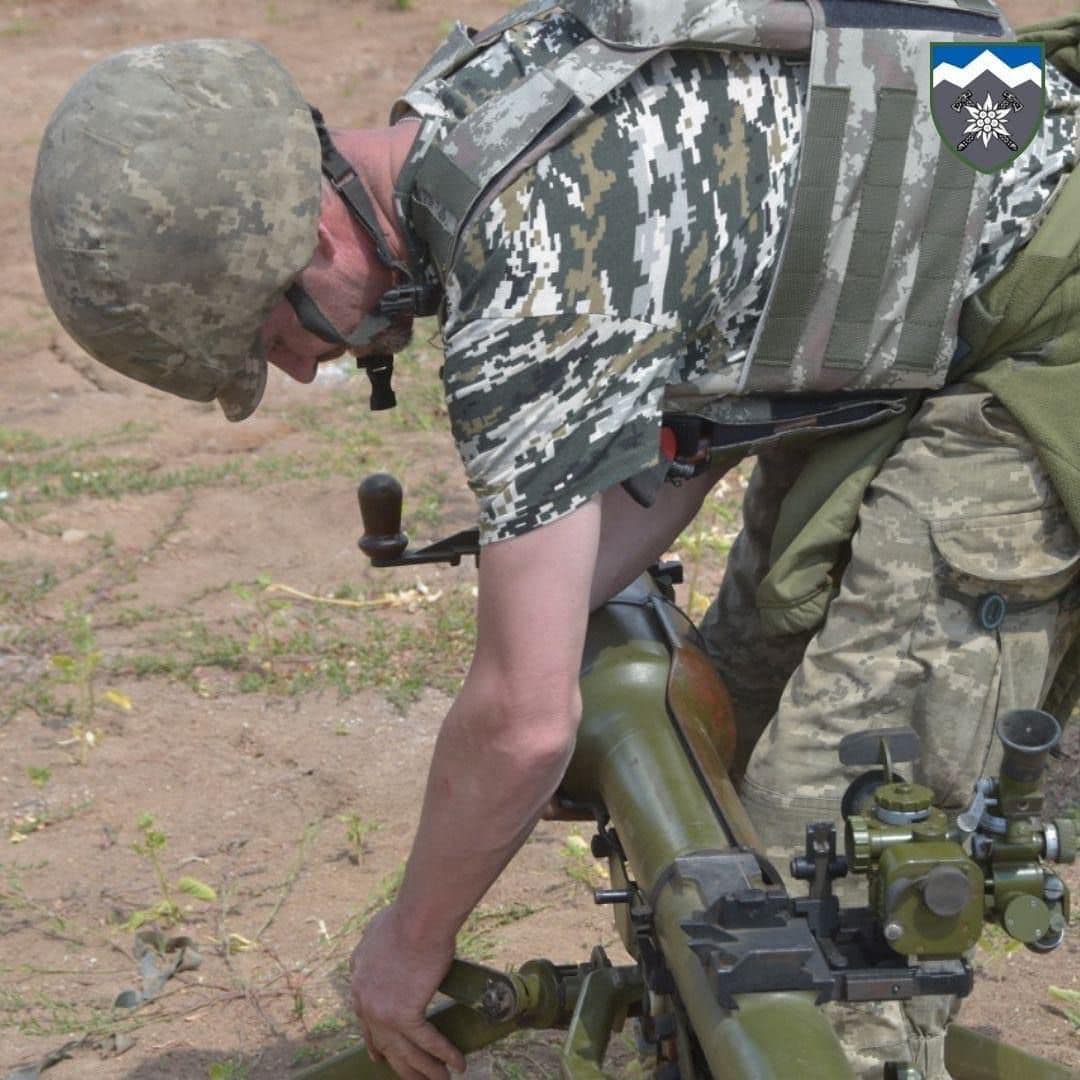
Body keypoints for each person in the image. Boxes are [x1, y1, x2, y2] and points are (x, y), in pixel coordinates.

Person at [29, 5, 1080, 1078]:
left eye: (274, 333)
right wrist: (532, 612)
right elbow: (685, 436)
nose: (302, 366)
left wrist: (409, 940)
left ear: (311, 239)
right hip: (939, 292)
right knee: (739, 709)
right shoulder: (480, 105)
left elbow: (526, 725)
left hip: (1043, 317)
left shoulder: (529, 279)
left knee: (823, 902)